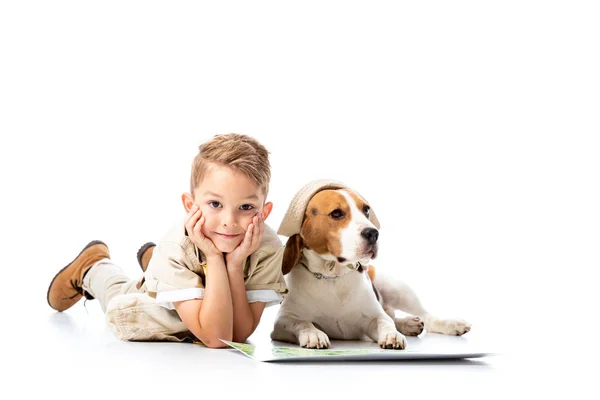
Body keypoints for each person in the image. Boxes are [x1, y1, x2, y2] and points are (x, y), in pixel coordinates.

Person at [47, 133, 288, 348]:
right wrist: (215, 258)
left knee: (187, 286)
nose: (230, 221)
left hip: (201, 300)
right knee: (120, 296)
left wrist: (234, 266)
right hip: (159, 309)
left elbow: (239, 334)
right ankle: (94, 267)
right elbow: (218, 339)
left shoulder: (266, 246)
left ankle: (160, 269)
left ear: (264, 212)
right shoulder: (177, 247)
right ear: (190, 205)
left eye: (245, 207)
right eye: (215, 204)